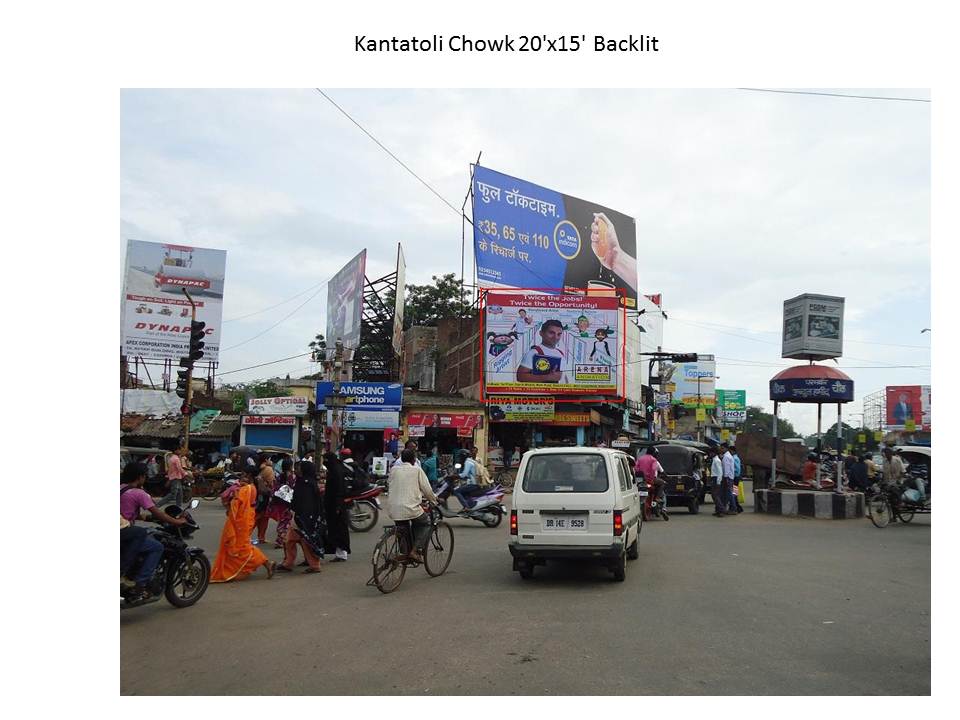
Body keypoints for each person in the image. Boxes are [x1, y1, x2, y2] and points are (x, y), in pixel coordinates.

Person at [120, 462, 188, 600]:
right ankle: (140, 584)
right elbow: (159, 513)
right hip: (125, 532)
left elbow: (126, 512)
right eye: (144, 476)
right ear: (140, 477)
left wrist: (146, 518)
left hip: (123, 529)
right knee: (157, 546)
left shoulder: (120, 489)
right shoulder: (139, 493)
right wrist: (177, 521)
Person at [210, 467, 276, 582]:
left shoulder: (248, 488)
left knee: (241, 547)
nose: (242, 475)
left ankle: (266, 563)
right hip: (245, 519)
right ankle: (265, 564)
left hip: (241, 521)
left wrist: (232, 500)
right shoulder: (250, 487)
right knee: (237, 546)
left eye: (244, 474)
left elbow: (237, 504)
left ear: (249, 475)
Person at [385, 448, 439, 563]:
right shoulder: (417, 470)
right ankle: (414, 550)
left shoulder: (393, 470)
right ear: (414, 460)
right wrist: (434, 501)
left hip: (393, 508)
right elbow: (427, 490)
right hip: (410, 508)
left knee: (402, 528)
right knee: (425, 523)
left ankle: (404, 553)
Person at [277, 460, 325, 573]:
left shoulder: (308, 484)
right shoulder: (302, 482)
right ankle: (288, 563)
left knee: (305, 541)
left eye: (299, 468)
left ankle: (314, 565)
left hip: (304, 518)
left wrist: (304, 517)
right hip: (298, 516)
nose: (297, 470)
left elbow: (307, 503)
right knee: (289, 540)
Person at [517, 319, 569, 384]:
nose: (555, 337)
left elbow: (563, 376)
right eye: (551, 333)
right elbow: (520, 376)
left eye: (559, 334)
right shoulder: (533, 353)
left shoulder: (560, 353)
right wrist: (547, 377)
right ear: (541, 333)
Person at [323, 451, 351, 562]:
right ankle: (339, 552)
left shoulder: (336, 471)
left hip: (336, 505)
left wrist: (338, 506)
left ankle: (341, 553)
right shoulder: (335, 468)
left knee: (339, 529)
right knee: (336, 528)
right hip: (334, 504)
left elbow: (339, 490)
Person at [634, 447, 667, 520]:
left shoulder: (640, 458)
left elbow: (636, 468)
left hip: (641, 481)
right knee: (662, 483)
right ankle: (657, 498)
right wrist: (651, 479)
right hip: (650, 480)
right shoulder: (653, 460)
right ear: (654, 453)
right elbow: (653, 469)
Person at [253, 454, 277, 545]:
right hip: (266, 495)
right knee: (262, 517)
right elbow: (272, 482)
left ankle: (261, 537)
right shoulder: (268, 469)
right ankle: (260, 537)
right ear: (266, 459)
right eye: (270, 459)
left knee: (260, 516)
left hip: (258, 494)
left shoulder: (259, 468)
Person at [709, 448, 727, 517]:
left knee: (715, 495)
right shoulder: (714, 460)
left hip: (716, 478)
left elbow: (720, 472)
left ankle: (722, 509)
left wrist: (718, 481)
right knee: (715, 495)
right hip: (714, 478)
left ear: (714, 453)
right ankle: (718, 510)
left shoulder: (717, 460)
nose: (710, 454)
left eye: (711, 453)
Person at [720, 443, 736, 515]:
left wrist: (725, 477)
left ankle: (733, 508)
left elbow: (726, 469)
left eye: (722, 448)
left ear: (726, 448)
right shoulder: (728, 456)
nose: (721, 449)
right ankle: (725, 508)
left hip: (727, 477)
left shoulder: (726, 457)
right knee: (727, 493)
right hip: (730, 477)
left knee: (729, 493)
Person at [730, 446, 744, 513]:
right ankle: (737, 507)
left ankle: (737, 507)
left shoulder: (734, 458)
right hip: (736, 478)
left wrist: (733, 472)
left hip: (735, 478)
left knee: (734, 493)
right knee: (734, 493)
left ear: (733, 451)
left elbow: (737, 469)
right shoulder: (736, 458)